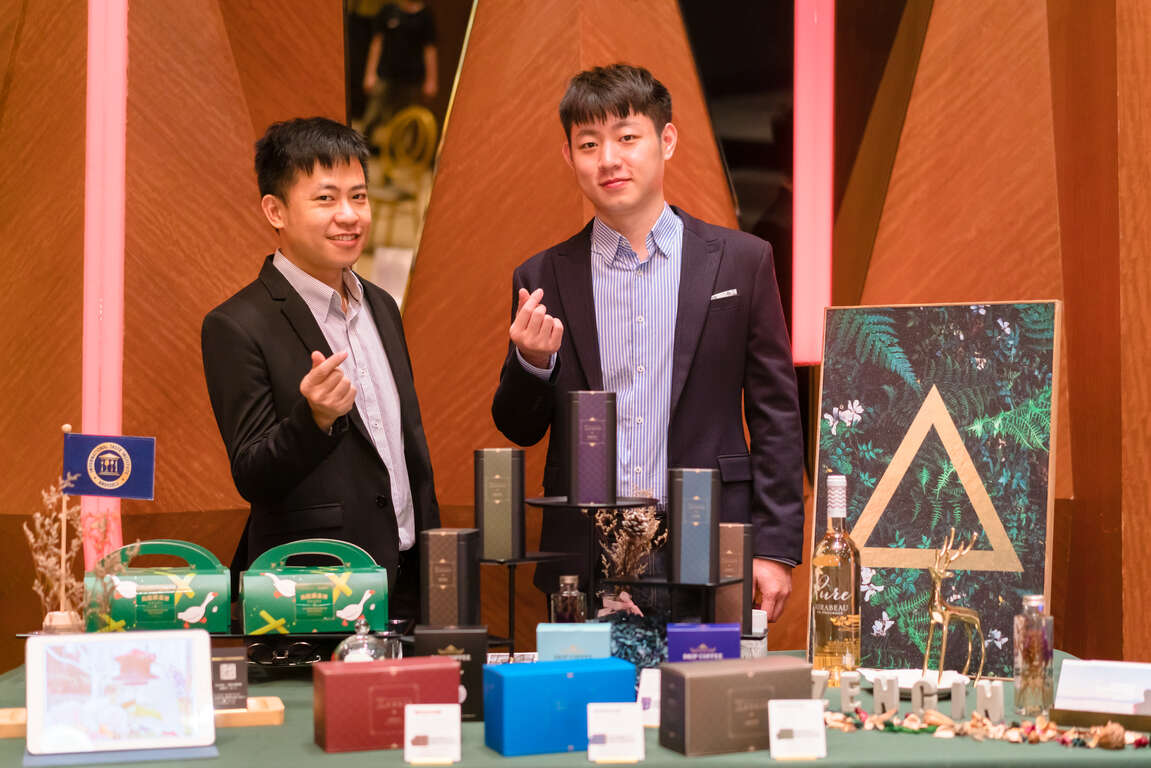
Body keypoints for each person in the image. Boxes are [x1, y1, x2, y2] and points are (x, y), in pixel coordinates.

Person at [491, 64, 804, 622]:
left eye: (627, 137)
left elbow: (776, 413)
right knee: (588, 684)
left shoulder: (741, 262)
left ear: (667, 140)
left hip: (708, 542)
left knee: (707, 681)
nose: (608, 159)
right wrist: (532, 362)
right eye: (589, 144)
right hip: (586, 556)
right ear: (569, 156)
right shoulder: (541, 277)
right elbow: (519, 427)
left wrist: (775, 547)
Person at [201, 117, 439, 622]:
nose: (349, 216)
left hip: (409, 582)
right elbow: (252, 475)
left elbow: (404, 446)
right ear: (276, 210)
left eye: (359, 197)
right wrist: (313, 421)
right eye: (326, 199)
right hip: (314, 591)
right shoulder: (236, 324)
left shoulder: (381, 305)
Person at [361, 0, 438, 143]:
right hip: (385, 74)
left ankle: (398, 152)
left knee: (405, 121)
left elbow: (429, 50)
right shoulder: (388, 10)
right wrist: (370, 74)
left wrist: (431, 80)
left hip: (412, 79)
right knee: (372, 115)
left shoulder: (425, 16)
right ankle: (359, 148)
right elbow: (377, 43)